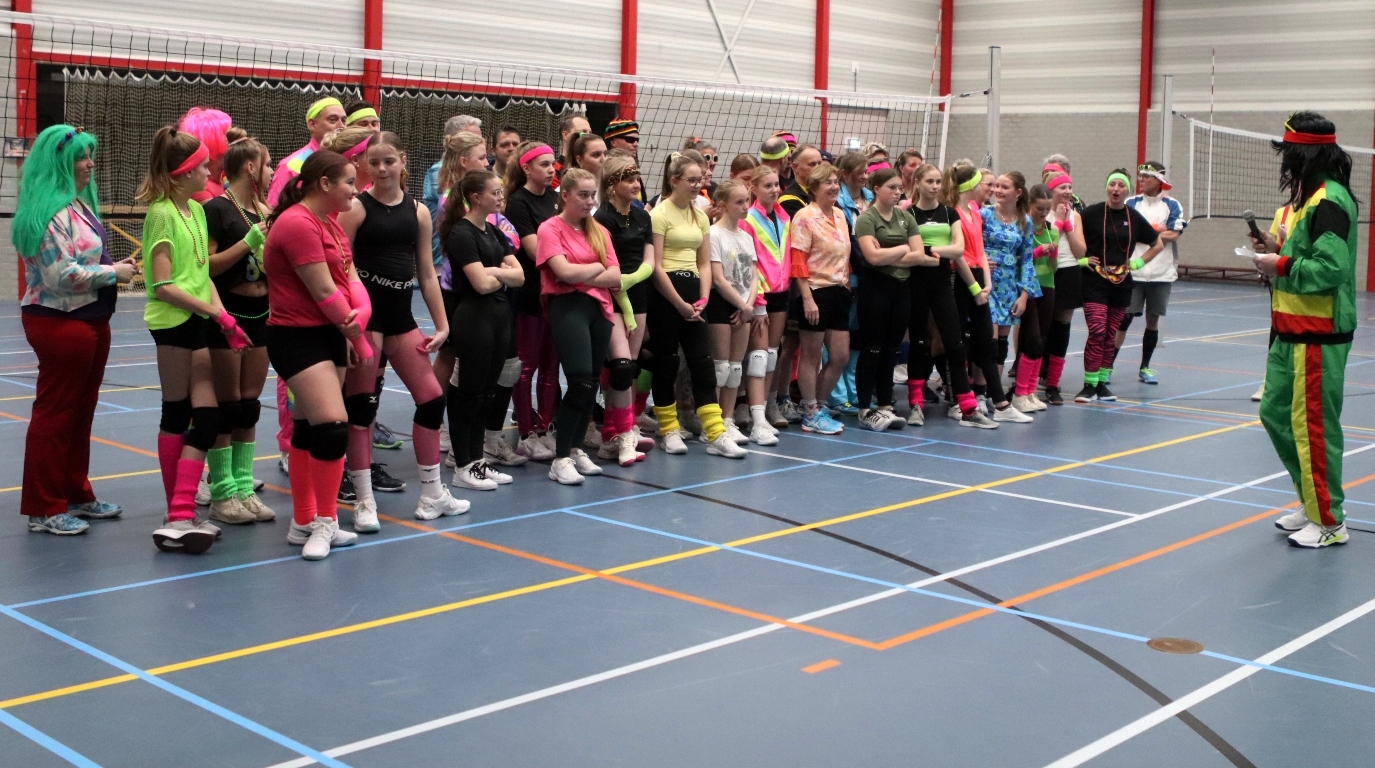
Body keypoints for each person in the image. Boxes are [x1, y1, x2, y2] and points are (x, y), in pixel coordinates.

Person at [336, 131, 467, 526]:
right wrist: (350, 324)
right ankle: (364, 501)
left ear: (402, 161)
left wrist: (442, 325)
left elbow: (426, 273)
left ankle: (432, 493)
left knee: (431, 399)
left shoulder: (419, 212)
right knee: (362, 409)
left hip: (400, 319)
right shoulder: (356, 209)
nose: (381, 169)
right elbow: (341, 268)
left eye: (388, 161)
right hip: (367, 321)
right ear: (364, 165)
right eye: (374, 162)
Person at [14, 125, 138, 535]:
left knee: (81, 412)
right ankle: (43, 507)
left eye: (90, 155)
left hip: (91, 319)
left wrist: (110, 268)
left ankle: (75, 492)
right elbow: (59, 276)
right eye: (81, 157)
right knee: (56, 414)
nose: (90, 163)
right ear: (60, 163)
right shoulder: (50, 214)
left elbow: (83, 260)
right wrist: (113, 272)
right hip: (59, 322)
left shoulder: (78, 205)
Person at [140, 126, 252, 554]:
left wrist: (225, 319)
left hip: (200, 318)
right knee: (177, 413)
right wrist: (215, 313)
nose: (210, 171)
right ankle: (178, 515)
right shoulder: (161, 214)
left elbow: (202, 276)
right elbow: (163, 285)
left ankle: (180, 512)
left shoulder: (197, 212)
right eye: (204, 165)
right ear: (184, 172)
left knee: (206, 419)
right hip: (172, 322)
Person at [1250, 112, 1359, 548]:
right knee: (1275, 414)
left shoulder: (1329, 201)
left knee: (1313, 427)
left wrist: (1279, 264)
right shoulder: (1304, 199)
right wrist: (1275, 249)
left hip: (1318, 334)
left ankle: (1330, 521)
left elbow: (1331, 268)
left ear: (1308, 154)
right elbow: (1304, 251)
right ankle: (1311, 501)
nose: (1286, 160)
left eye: (1290, 152)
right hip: (1288, 329)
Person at [263, 150, 368, 561]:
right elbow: (323, 290)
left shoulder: (330, 223)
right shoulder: (297, 223)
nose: (355, 190)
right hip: (296, 336)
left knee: (308, 428)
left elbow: (347, 277)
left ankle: (303, 520)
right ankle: (326, 521)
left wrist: (350, 324)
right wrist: (355, 331)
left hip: (327, 334)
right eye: (349, 182)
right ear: (324, 183)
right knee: (333, 425)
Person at [648, 153, 746, 458]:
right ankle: (668, 429)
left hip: (694, 295)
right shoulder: (659, 215)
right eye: (690, 180)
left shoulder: (701, 216)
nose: (696, 185)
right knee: (666, 362)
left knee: (703, 364)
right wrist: (679, 304)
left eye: (699, 180)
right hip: (666, 296)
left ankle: (715, 433)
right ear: (674, 181)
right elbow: (656, 266)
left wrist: (702, 299)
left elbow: (704, 263)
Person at [201, 129, 276, 525]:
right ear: (251, 167)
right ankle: (222, 492)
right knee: (227, 406)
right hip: (228, 314)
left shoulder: (265, 210)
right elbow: (207, 267)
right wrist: (247, 242)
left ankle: (244, 487)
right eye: (268, 165)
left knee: (248, 407)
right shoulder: (217, 209)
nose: (272, 171)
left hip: (261, 313)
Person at [537, 168, 624, 482]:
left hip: (599, 309)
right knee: (579, 382)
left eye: (592, 196)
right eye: (583, 195)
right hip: (568, 307)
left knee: (592, 382)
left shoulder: (599, 231)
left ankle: (575, 449)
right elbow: (562, 272)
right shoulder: (550, 229)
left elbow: (616, 276)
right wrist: (597, 267)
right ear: (565, 195)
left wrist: (584, 272)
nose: (589, 201)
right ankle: (560, 459)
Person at [443, 170, 528, 488]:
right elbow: (479, 284)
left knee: (488, 393)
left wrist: (494, 272)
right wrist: (499, 273)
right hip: (473, 318)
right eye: (495, 192)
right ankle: (463, 465)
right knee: (470, 393)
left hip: (499, 316)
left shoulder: (493, 231)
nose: (501, 196)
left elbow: (520, 276)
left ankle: (478, 460)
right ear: (476, 198)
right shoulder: (462, 233)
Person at [906, 163, 991, 428]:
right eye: (929, 181)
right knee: (920, 343)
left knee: (955, 344)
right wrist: (939, 251)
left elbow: (959, 250)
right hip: (916, 286)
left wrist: (928, 251)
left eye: (938, 182)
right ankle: (915, 403)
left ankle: (968, 407)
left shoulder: (949, 213)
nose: (935, 186)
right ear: (918, 183)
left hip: (943, 285)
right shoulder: (909, 214)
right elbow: (910, 252)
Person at [853, 167, 935, 431]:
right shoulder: (867, 219)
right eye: (892, 187)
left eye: (900, 188)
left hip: (901, 288)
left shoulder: (905, 217)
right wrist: (902, 248)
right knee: (872, 349)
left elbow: (919, 255)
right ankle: (864, 408)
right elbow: (871, 257)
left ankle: (886, 404)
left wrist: (888, 254)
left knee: (891, 349)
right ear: (876, 189)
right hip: (875, 289)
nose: (898, 192)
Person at [1073, 170, 1162, 404]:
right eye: (1112, 184)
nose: (1116, 189)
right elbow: (1071, 236)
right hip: (1094, 281)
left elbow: (1157, 244)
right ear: (1106, 187)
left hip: (1121, 284)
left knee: (1110, 334)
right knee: (1097, 331)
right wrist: (1080, 259)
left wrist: (1138, 263)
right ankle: (1088, 385)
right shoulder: (1090, 213)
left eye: (1121, 186)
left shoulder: (1134, 217)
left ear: (1128, 190)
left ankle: (1101, 383)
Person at [594, 154, 658, 461]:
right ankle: (613, 433)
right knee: (619, 365)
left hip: (636, 290)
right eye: (629, 180)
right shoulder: (602, 218)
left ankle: (625, 428)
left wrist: (631, 280)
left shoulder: (642, 216)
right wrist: (621, 285)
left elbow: (650, 260)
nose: (636, 184)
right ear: (612, 185)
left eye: (637, 179)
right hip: (612, 294)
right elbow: (606, 261)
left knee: (630, 366)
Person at [505, 141, 562, 460]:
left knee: (552, 365)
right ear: (526, 168)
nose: (551, 170)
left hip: (557, 291)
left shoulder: (555, 199)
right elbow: (533, 249)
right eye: (544, 164)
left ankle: (544, 428)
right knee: (526, 365)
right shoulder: (517, 203)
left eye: (553, 164)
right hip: (529, 293)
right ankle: (526, 432)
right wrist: (566, 257)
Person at [789, 162, 852, 434]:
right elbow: (798, 260)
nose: (834, 186)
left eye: (836, 182)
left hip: (840, 290)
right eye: (828, 182)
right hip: (815, 291)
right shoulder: (804, 217)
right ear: (814, 188)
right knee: (811, 356)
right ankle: (811, 412)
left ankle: (819, 404)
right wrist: (807, 298)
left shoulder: (839, 214)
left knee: (840, 356)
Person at [1112, 161, 1187, 384]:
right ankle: (1107, 366)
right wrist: (1156, 230)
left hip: (1161, 273)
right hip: (1133, 272)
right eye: (1141, 176)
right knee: (1123, 319)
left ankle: (1145, 367)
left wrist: (1144, 231)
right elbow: (1124, 230)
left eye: (1147, 176)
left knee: (1152, 320)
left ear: (1159, 180)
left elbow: (1173, 235)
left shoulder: (1172, 205)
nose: (1142, 180)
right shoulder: (1131, 203)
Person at [980, 172, 1039, 421]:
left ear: (1018, 193)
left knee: (1001, 344)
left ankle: (991, 394)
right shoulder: (984, 215)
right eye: (996, 186)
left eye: (1004, 187)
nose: (998, 191)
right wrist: (982, 260)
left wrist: (1024, 295)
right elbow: (971, 244)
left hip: (1008, 287)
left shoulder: (1025, 222)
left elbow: (1027, 260)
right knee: (989, 341)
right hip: (985, 284)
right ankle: (986, 394)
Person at [740, 165, 791, 438]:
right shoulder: (748, 219)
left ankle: (768, 406)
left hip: (781, 293)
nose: (774, 190)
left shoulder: (784, 217)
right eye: (768, 185)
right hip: (760, 294)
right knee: (756, 356)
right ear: (755, 189)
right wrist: (758, 299)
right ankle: (749, 410)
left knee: (772, 354)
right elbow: (750, 264)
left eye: (776, 185)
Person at [705, 180, 758, 444]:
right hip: (721, 302)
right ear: (723, 205)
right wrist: (741, 304)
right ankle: (712, 424)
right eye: (739, 202)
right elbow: (717, 278)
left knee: (736, 368)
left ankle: (727, 420)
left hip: (744, 306)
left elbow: (754, 274)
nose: (745, 206)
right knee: (720, 367)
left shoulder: (746, 236)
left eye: (746, 201)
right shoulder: (714, 234)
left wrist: (749, 305)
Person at [1043, 171, 1087, 405]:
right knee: (1042, 327)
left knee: (1061, 328)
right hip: (1046, 271)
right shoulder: (1042, 213)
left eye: (1070, 187)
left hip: (1068, 271)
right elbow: (1045, 244)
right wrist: (1058, 223)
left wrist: (1069, 226)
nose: (1068, 191)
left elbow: (1081, 252)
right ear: (1051, 190)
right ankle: (1033, 375)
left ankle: (1053, 383)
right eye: (1063, 187)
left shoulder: (1076, 216)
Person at [1014, 183, 1058, 412]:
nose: (1044, 213)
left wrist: (1053, 255)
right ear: (1030, 204)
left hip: (1048, 285)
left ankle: (1030, 391)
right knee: (1030, 340)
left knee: (1041, 340)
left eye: (1048, 209)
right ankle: (1020, 392)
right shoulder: (1022, 226)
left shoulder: (1052, 230)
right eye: (1040, 208)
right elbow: (1018, 257)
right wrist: (1038, 252)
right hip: (1028, 286)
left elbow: (1054, 267)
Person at [266, 97, 346, 207]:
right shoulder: (290, 165)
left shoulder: (350, 159)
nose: (341, 126)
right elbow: (273, 208)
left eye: (344, 120)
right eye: (332, 120)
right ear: (312, 124)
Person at [178, 107, 231, 203]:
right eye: (229, 135)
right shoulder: (200, 187)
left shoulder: (224, 179)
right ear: (214, 139)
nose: (236, 139)